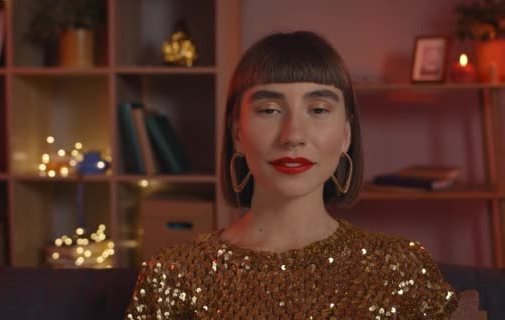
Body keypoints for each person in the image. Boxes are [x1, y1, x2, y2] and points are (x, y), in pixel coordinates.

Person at [125, 31, 458, 319]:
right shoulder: (175, 275)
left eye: (318, 110)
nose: (293, 135)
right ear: (237, 132)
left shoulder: (400, 268)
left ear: (346, 134)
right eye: (270, 110)